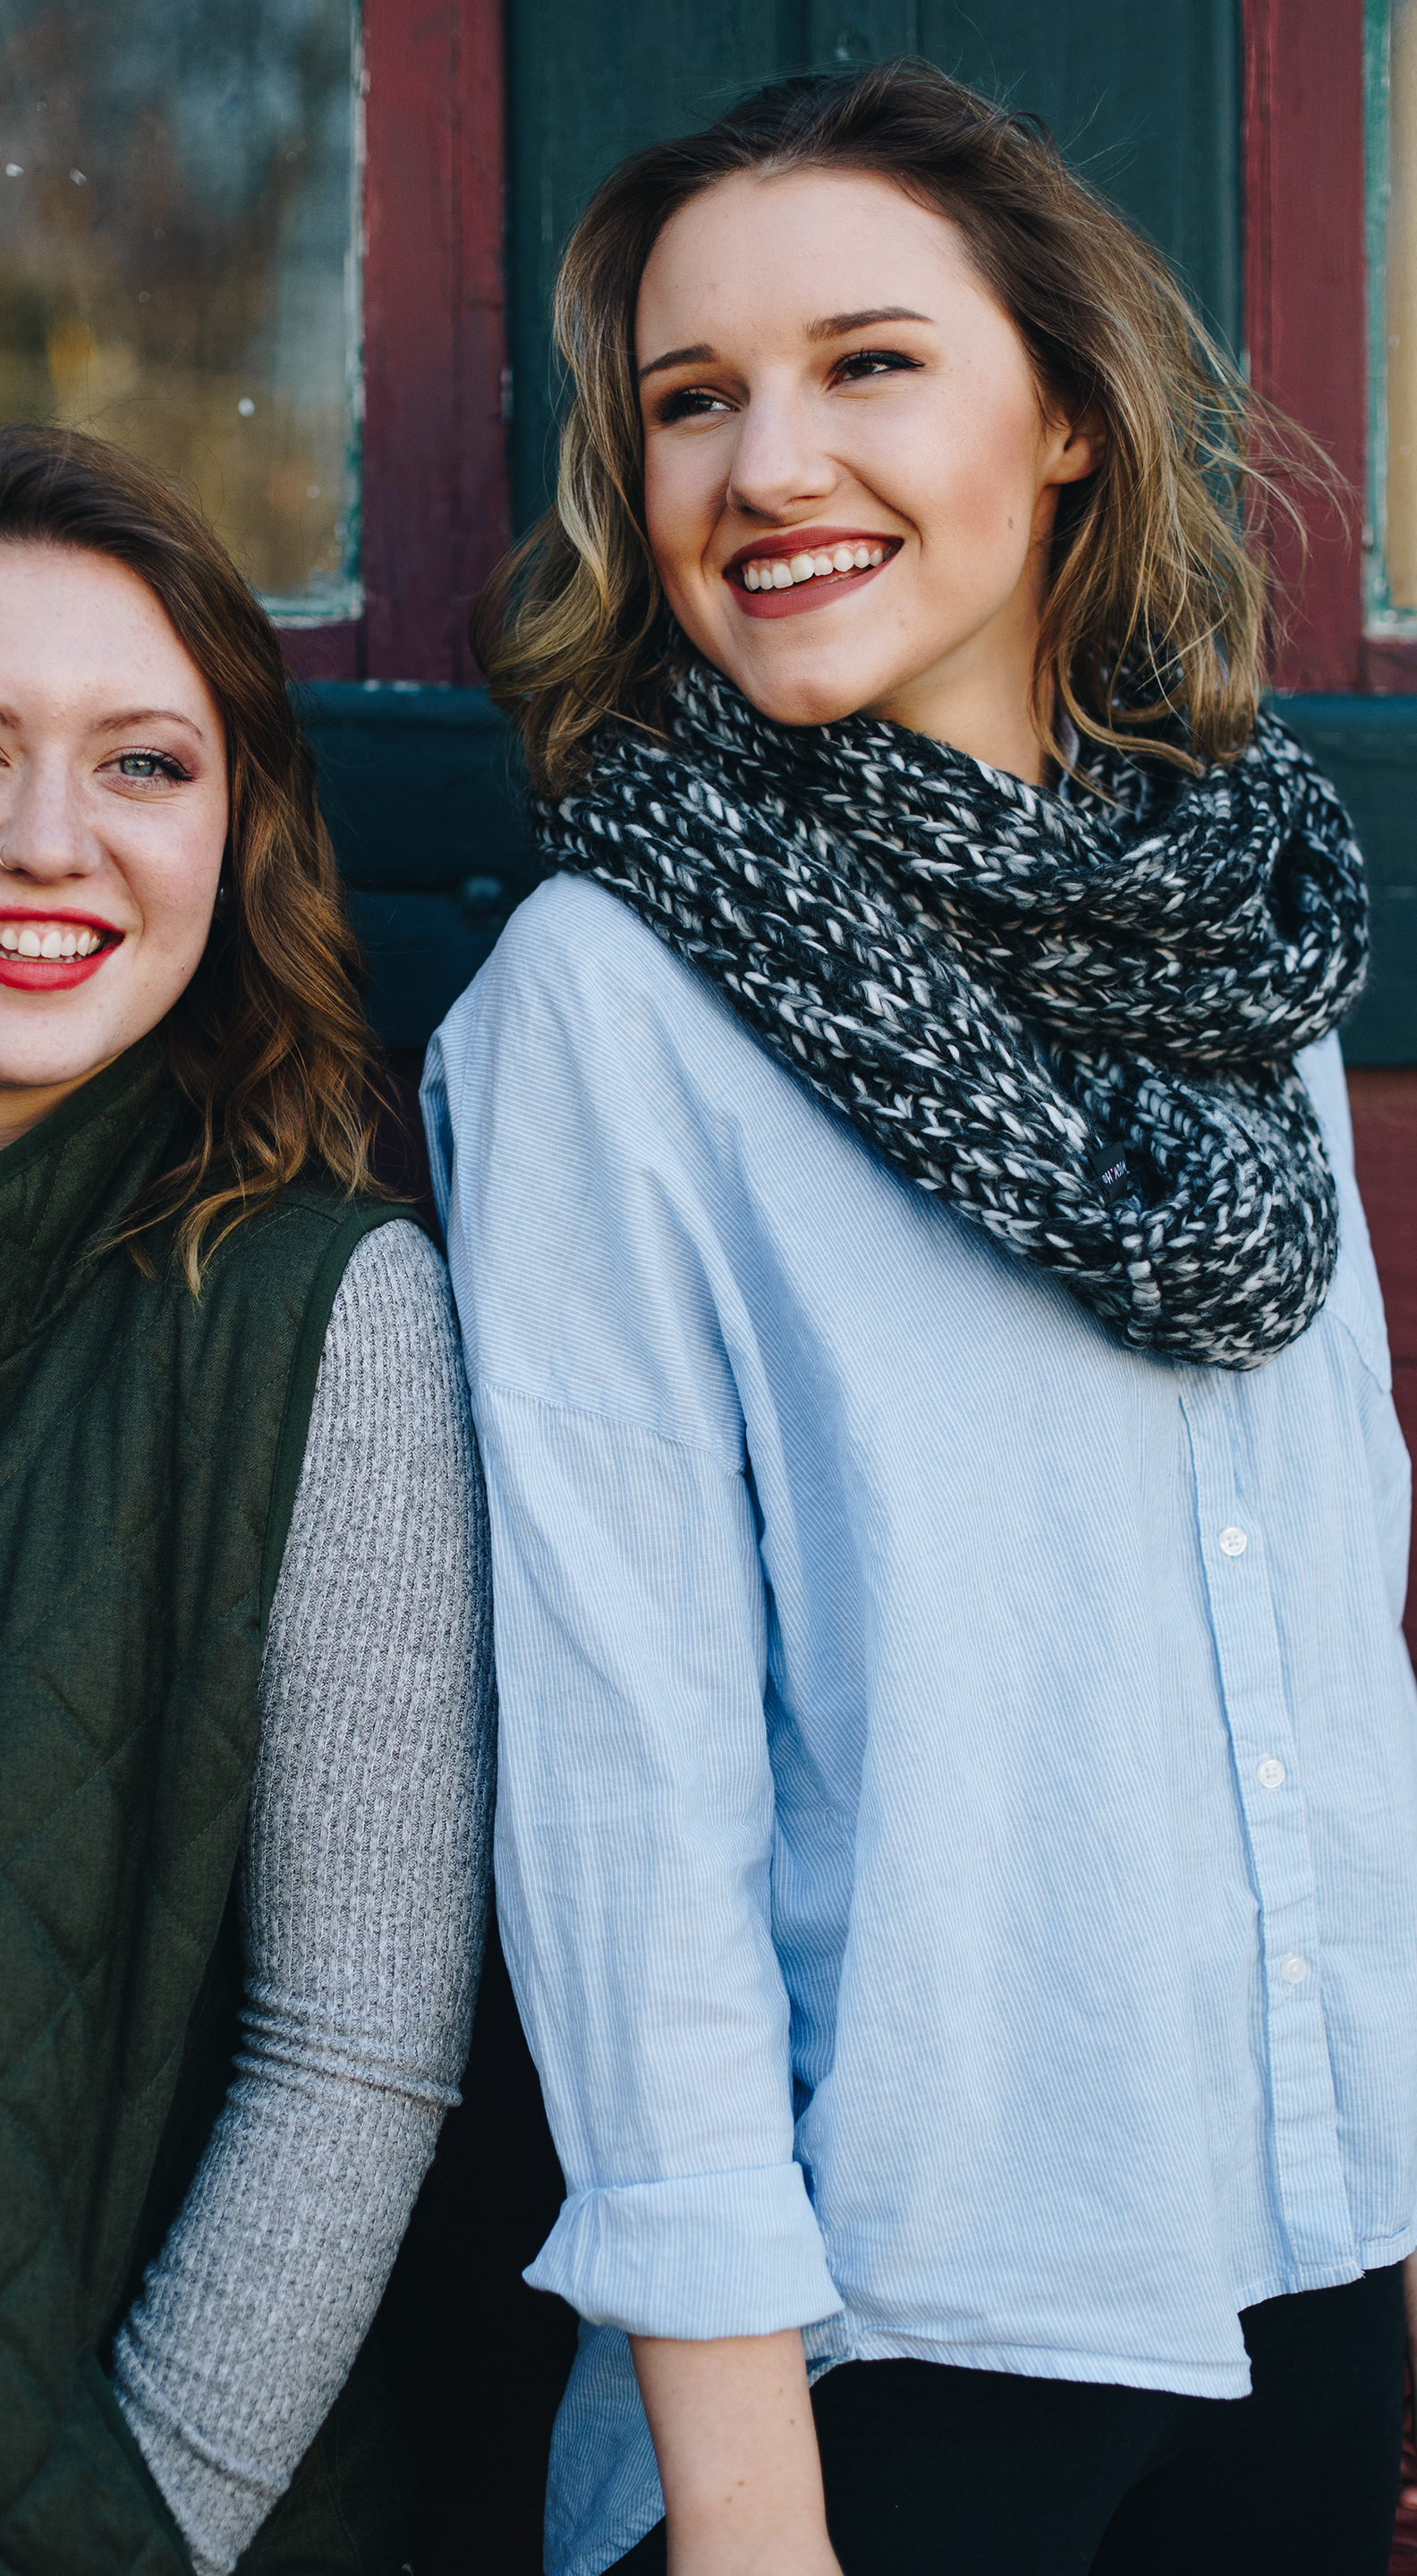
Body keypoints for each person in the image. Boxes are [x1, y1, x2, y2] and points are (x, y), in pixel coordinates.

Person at [424, 57, 1416, 2576]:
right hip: (892, 2354)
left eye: (868, 362)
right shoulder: (609, 1009)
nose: (769, 465)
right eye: (691, 399)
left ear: (1067, 415)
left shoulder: (1243, 950)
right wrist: (751, 2509)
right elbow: (626, 1801)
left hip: (1307, 2264)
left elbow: (1330, 1638)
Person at [0, 425, 494, 2576]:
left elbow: (354, 2055)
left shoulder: (321, 1326)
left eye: (144, 765)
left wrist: (122, 2532)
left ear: (233, 839)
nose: (47, 839)